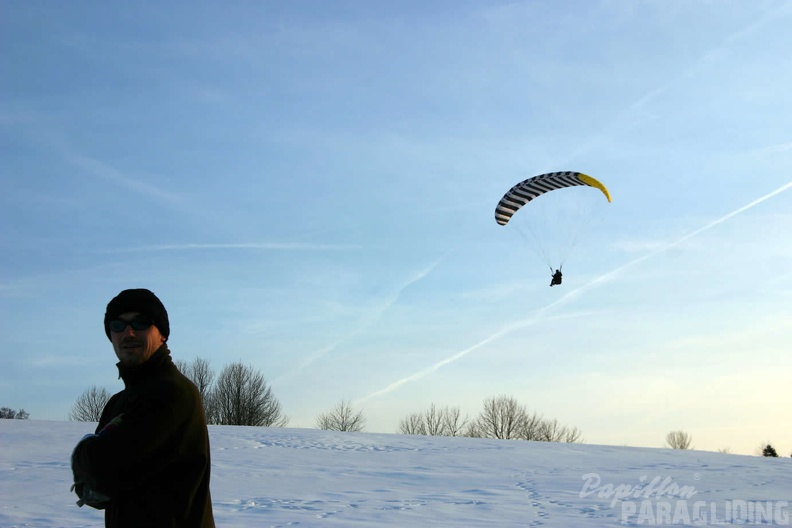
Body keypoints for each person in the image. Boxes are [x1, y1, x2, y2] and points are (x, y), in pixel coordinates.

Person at [71, 288, 215, 527]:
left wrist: (85, 452)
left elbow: (103, 473)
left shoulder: (173, 393)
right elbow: (93, 492)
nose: (128, 332)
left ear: (162, 335)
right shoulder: (119, 402)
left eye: (140, 322)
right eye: (118, 325)